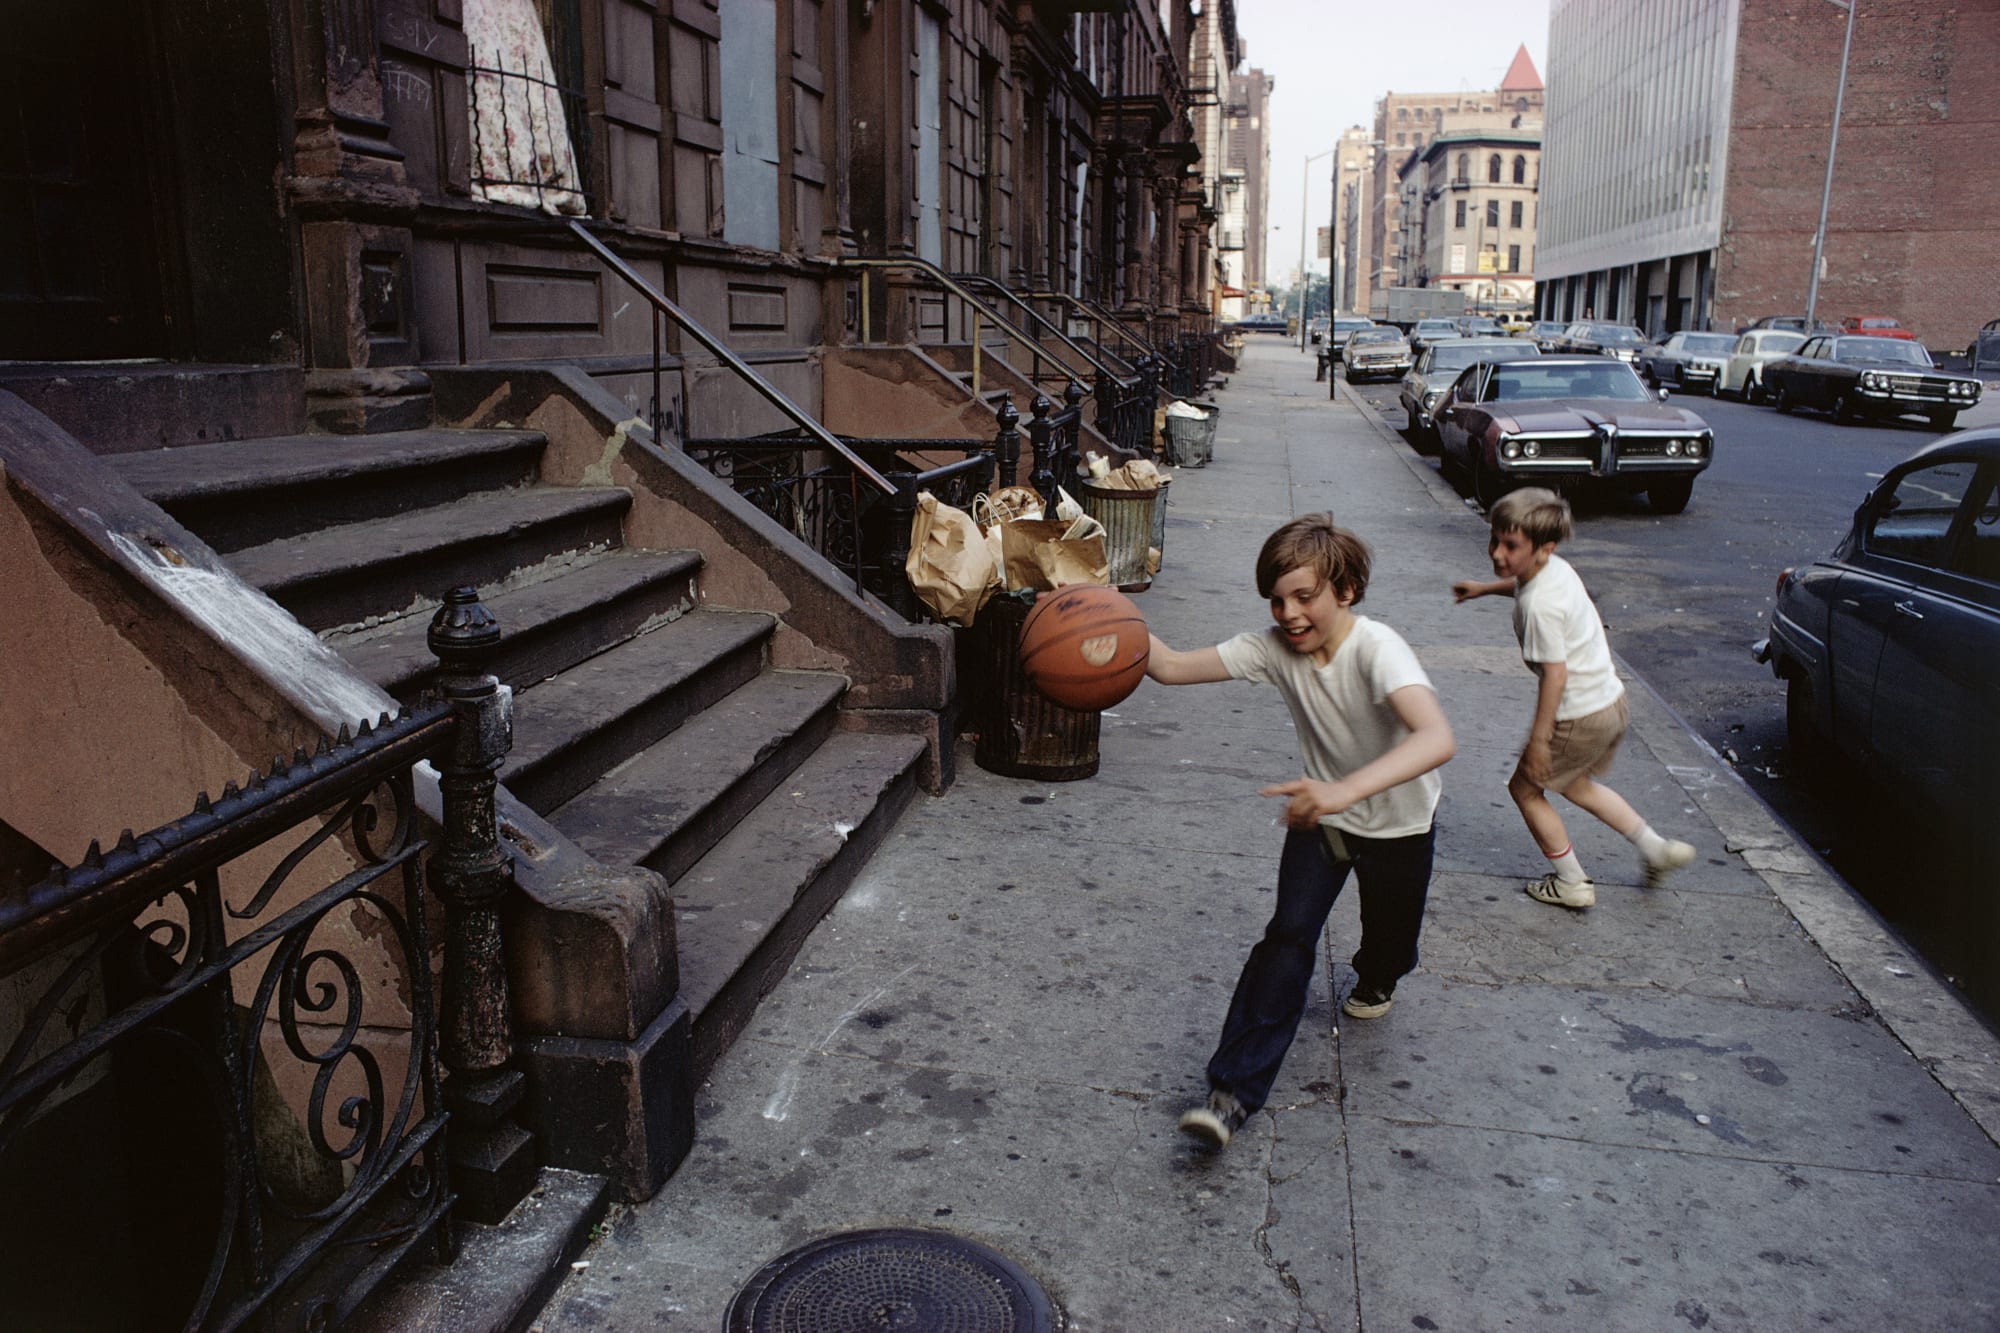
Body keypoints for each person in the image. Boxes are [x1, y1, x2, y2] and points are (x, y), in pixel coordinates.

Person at [1147, 514, 1456, 1150]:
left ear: (1344, 590)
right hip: (1326, 822)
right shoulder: (1272, 649)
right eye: (1277, 598)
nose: (1288, 612)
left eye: (1304, 595)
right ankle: (1230, 1095)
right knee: (1288, 938)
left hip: (1398, 825)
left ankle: (1378, 974)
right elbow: (1171, 667)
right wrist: (1094, 609)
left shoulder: (1377, 648)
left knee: (1390, 946)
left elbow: (1437, 737)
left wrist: (1343, 788)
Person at [1451, 489, 1695, 910]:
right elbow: (1523, 581)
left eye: (1510, 546)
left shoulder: (1539, 608)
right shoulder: (1554, 570)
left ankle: (1571, 881)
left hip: (1578, 714)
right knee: (1577, 785)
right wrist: (1484, 589)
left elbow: (1555, 675)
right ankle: (1655, 848)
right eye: (1494, 540)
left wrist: (1539, 741)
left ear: (1543, 547)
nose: (1497, 553)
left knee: (1525, 789)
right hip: (1609, 703)